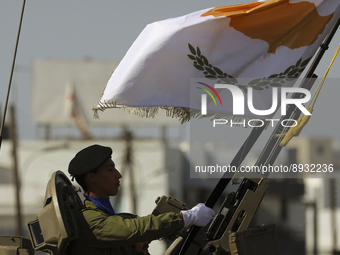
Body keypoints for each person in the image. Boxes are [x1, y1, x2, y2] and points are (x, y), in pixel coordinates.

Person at [66, 144, 215, 255]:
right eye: (110, 169)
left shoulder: (107, 216)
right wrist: (186, 217)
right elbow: (136, 228)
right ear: (91, 177)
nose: (118, 175)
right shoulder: (89, 221)